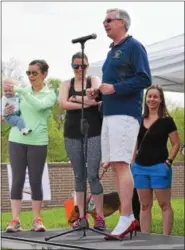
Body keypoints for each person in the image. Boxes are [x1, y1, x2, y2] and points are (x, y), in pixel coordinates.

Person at [86, 8, 151, 239]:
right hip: (110, 113)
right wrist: (100, 92)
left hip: (125, 114)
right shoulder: (112, 51)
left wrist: (115, 88)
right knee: (115, 164)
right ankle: (127, 217)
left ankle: (127, 218)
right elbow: (113, 84)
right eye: (103, 20)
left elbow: (145, 78)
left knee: (122, 164)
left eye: (109, 20)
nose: (104, 23)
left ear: (122, 23)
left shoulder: (133, 46)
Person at [5, 59, 57, 232]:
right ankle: (15, 220)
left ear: (44, 75)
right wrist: (7, 113)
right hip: (16, 140)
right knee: (17, 180)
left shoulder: (49, 94)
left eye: (34, 73)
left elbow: (39, 106)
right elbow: (12, 114)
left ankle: (37, 220)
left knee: (35, 181)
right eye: (28, 73)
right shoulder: (22, 92)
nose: (31, 76)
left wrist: (21, 91)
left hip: (38, 142)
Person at [58, 52, 106, 231]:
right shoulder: (66, 84)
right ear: (72, 66)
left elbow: (96, 99)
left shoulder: (94, 80)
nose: (80, 70)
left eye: (83, 66)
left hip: (93, 131)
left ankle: (99, 217)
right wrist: (87, 102)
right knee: (79, 175)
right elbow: (63, 104)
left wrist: (77, 99)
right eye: (76, 66)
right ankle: (82, 216)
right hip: (72, 133)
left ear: (88, 65)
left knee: (93, 174)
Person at [131, 85, 180, 235]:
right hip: (140, 168)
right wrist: (132, 162)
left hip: (160, 167)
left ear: (160, 100)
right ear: (146, 99)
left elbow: (176, 143)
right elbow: (135, 142)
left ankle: (166, 239)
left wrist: (169, 161)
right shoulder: (139, 119)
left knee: (164, 205)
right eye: (149, 96)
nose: (152, 99)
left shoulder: (167, 121)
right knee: (144, 206)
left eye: (155, 96)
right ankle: (146, 238)